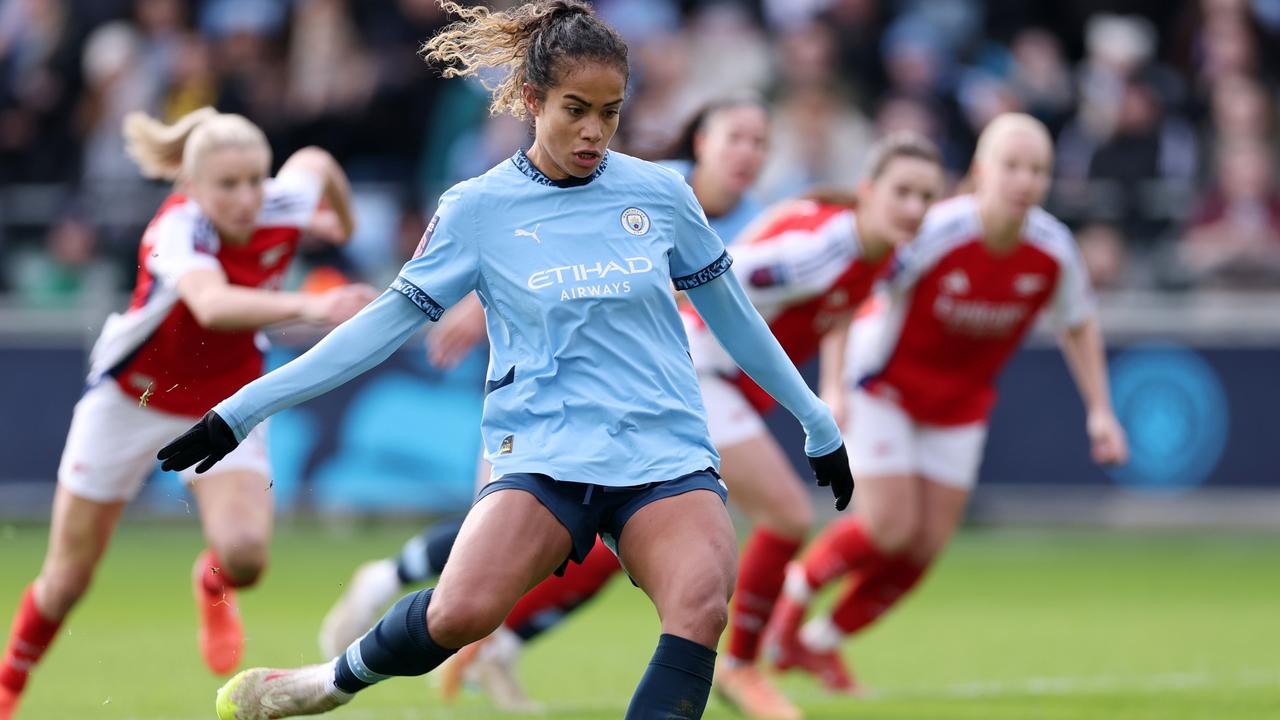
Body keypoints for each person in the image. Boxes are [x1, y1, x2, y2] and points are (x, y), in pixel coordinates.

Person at [155, 3, 853, 719]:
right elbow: (377, 329)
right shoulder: (478, 209)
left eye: (609, 113)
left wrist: (815, 420)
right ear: (531, 100)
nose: (593, 131)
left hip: (664, 452)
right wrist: (242, 409)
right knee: (460, 615)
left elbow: (735, 320)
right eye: (574, 109)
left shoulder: (662, 195)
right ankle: (325, 683)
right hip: (546, 455)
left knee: (702, 606)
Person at [437, 131, 946, 720]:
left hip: (716, 385)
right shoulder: (821, 248)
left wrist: (829, 388)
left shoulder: (878, 252)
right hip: (698, 374)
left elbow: (834, 310)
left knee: (609, 544)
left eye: (926, 198)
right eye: (902, 193)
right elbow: (721, 281)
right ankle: (740, 666)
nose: (914, 209)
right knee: (785, 512)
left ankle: (491, 639)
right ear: (868, 193)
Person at [313, 95, 775, 710]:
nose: (747, 153)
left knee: (607, 549)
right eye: (734, 136)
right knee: (519, 532)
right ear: (700, 143)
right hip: (552, 392)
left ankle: (499, 644)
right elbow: (535, 249)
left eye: (760, 142)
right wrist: (478, 305)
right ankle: (398, 586)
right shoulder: (651, 187)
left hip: (659, 398)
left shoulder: (755, 219)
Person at [0, 107, 374, 720]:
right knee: (66, 579)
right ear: (192, 187)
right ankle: (10, 680)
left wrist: (341, 224)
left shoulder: (283, 200)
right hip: (132, 399)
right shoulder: (177, 228)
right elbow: (212, 304)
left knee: (247, 554)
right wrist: (316, 303)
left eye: (256, 179)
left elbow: (317, 163)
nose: (248, 197)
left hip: (225, 399)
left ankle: (214, 582)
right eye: (228, 185)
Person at [764, 112, 1130, 695]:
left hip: (959, 406)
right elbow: (853, 292)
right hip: (883, 385)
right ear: (981, 173)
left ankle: (817, 644)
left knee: (925, 545)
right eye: (1012, 166)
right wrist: (834, 385)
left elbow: (1079, 323)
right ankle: (785, 614)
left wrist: (1100, 410)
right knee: (890, 525)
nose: (1024, 180)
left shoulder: (1053, 248)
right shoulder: (937, 232)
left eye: (1037, 169)